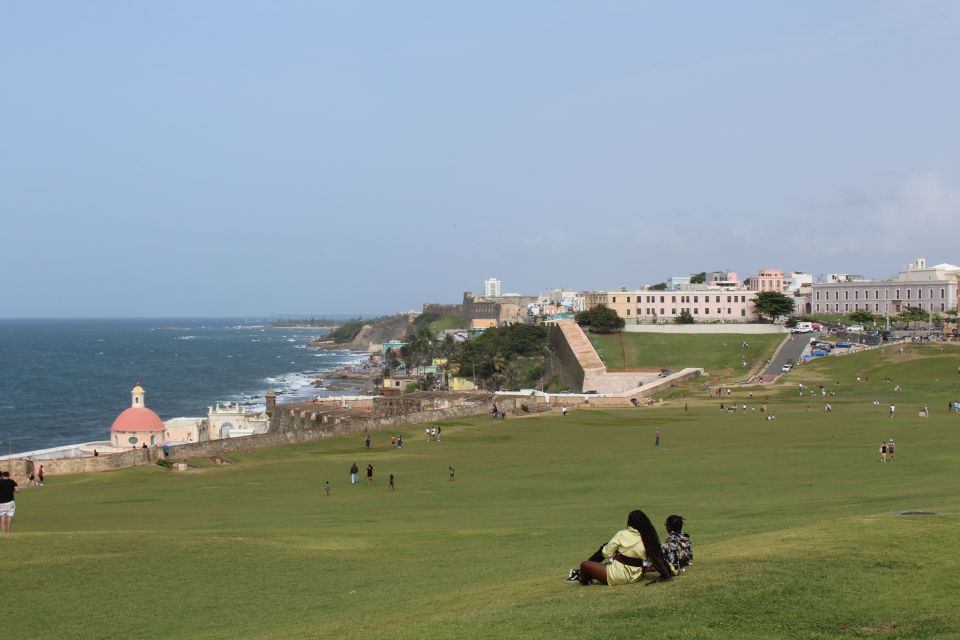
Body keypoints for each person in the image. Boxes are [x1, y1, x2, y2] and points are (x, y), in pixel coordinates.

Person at [567, 510, 673, 586]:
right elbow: (657, 558)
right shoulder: (648, 539)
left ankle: (584, 579)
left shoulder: (622, 534)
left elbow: (606, 553)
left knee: (584, 565)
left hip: (617, 576)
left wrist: (615, 554)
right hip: (635, 576)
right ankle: (589, 575)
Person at [0, 470, 20, 535]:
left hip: (1, 502)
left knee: (2, 517)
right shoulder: (12, 481)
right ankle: (8, 532)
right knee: (9, 516)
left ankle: (3, 532)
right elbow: (17, 490)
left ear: (3, 476)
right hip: (10, 502)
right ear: (8, 475)